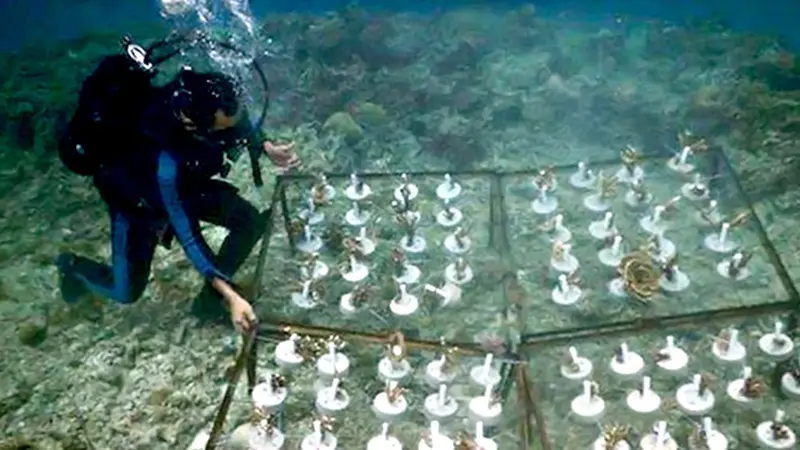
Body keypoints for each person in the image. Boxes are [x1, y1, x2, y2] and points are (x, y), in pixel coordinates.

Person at [56, 67, 300, 333]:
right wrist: (233, 298)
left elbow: (237, 123)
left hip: (189, 186)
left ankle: (209, 301)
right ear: (197, 127)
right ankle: (72, 266)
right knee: (125, 291)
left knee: (249, 221)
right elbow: (190, 236)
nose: (229, 134)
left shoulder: (203, 98)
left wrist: (265, 147)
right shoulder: (165, 160)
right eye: (220, 130)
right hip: (139, 203)